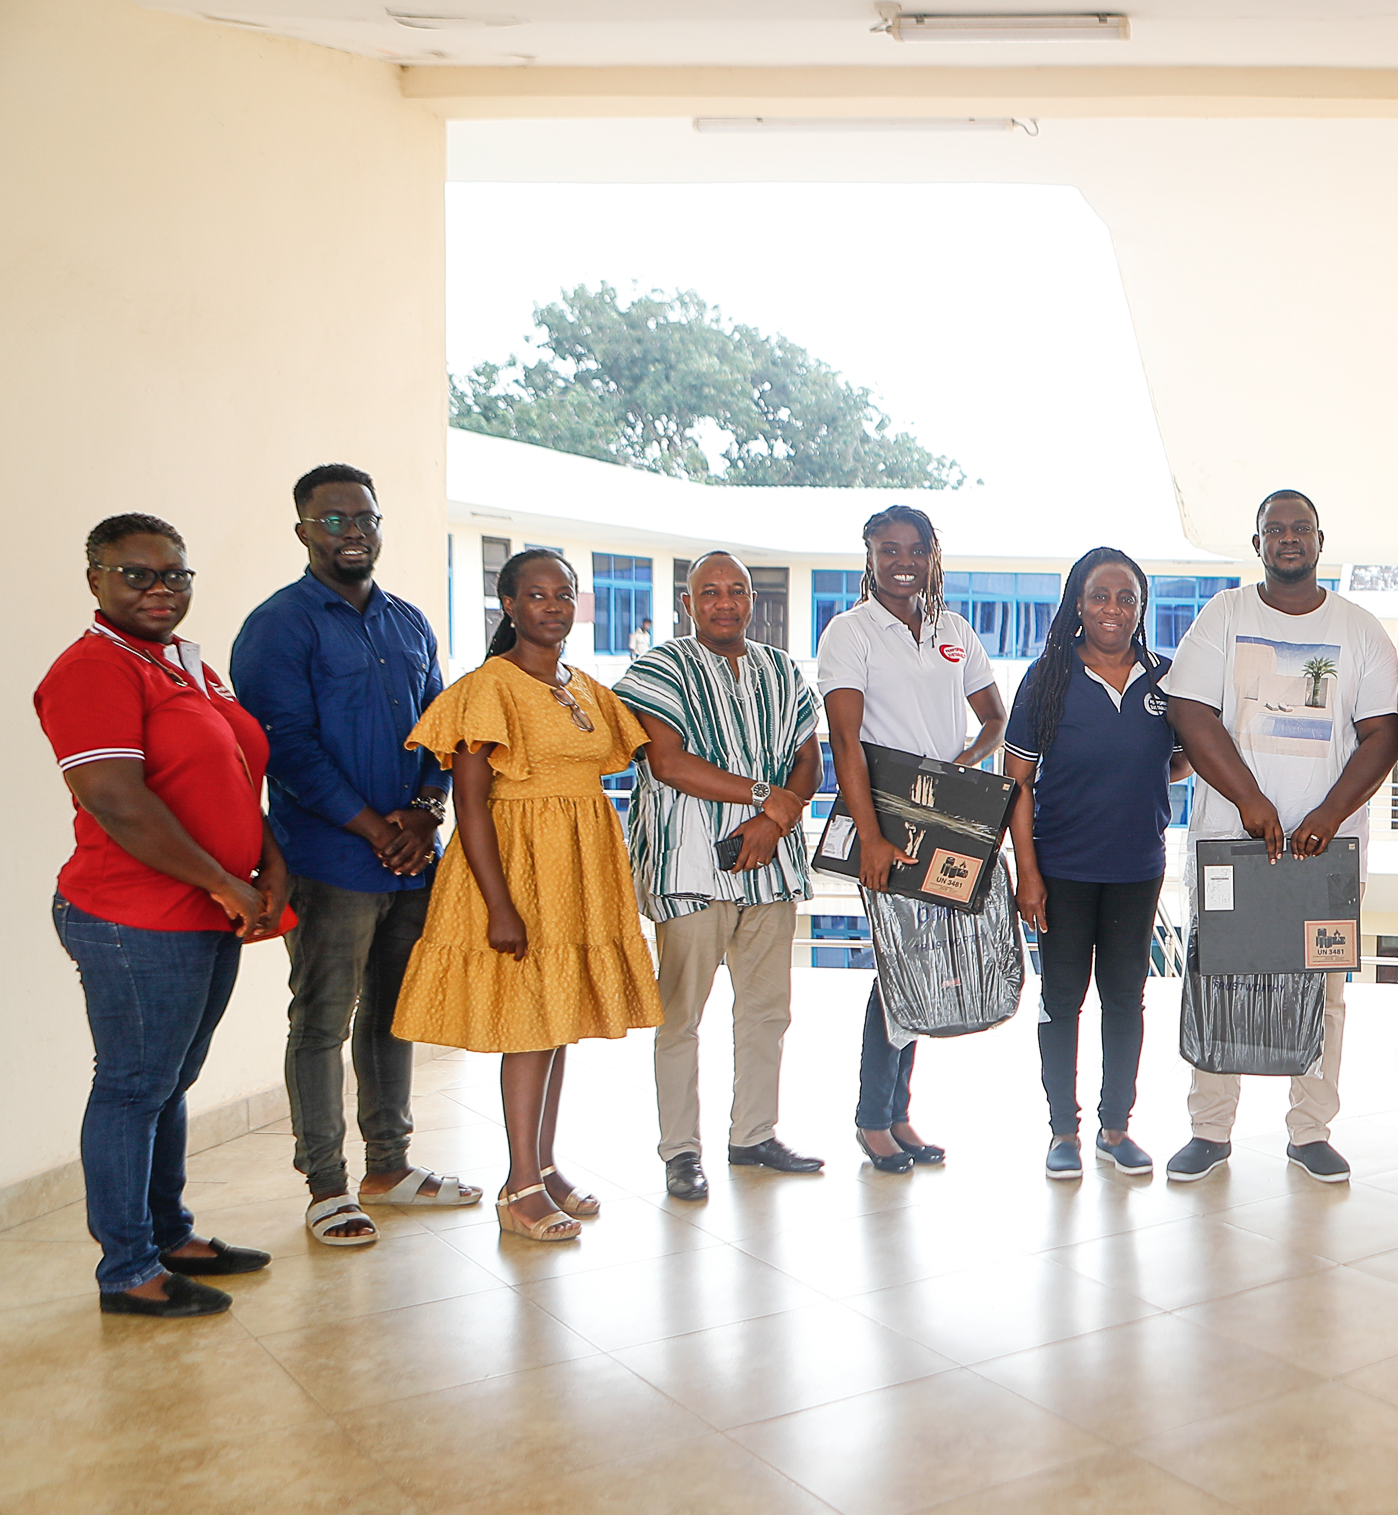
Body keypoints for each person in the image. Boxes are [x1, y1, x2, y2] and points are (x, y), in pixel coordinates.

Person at [41, 514, 283, 1316]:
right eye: (135, 573)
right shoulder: (92, 669)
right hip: (133, 914)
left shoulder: (186, 665)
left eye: (173, 574)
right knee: (133, 1086)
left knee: (169, 1081)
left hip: (207, 908)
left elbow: (240, 772)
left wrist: (270, 865)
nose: (157, 588)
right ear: (96, 580)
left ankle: (169, 1232)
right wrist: (224, 882)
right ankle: (129, 1270)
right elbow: (117, 801)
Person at [230, 463, 471, 1252]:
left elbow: (441, 727)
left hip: (410, 858)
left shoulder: (407, 621)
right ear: (304, 531)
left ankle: (389, 1167)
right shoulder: (279, 626)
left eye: (364, 517)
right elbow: (285, 749)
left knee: (394, 1013)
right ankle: (326, 1185)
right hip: (330, 861)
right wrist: (377, 827)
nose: (352, 531)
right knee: (323, 1018)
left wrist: (427, 811)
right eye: (333, 520)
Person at [392, 550, 662, 1241]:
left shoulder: (587, 687)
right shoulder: (489, 688)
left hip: (578, 870)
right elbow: (473, 805)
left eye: (563, 594)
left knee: (559, 1018)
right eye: (535, 595)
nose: (552, 605)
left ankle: (543, 1164)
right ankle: (518, 1187)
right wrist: (500, 903)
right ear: (507, 605)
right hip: (517, 868)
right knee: (531, 1023)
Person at [1161, 489, 1398, 1183]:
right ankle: (1210, 1130)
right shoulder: (1225, 616)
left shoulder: (1358, 629)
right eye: (1275, 529)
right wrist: (1249, 798)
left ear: (1320, 541)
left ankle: (1310, 1130)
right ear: (1259, 541)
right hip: (1229, 844)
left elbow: (1382, 733)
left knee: (1322, 992)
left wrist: (1328, 813)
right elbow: (1189, 711)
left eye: (1301, 528)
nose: (1288, 538)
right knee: (1220, 981)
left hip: (1323, 855)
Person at [614, 552, 824, 1202]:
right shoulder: (659, 667)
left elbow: (807, 757)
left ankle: (753, 1133)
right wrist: (769, 796)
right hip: (691, 868)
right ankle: (681, 1150)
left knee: (767, 1011)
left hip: (770, 868)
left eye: (737, 590)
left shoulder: (783, 670)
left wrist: (772, 823)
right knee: (680, 1015)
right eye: (710, 592)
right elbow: (669, 762)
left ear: (752, 601)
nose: (725, 602)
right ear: (688, 602)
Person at [815, 505, 1006, 1172]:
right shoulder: (849, 631)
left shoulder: (953, 629)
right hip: (886, 813)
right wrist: (869, 834)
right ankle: (873, 1120)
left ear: (932, 555)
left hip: (943, 812)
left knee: (920, 961)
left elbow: (994, 717)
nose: (903, 560)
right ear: (868, 555)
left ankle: (897, 1113)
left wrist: (960, 765)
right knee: (896, 965)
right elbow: (844, 739)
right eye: (888, 548)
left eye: (915, 549)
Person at [1004, 547, 1187, 1179]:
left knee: (1126, 999)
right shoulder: (1046, 677)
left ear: (1141, 608)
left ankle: (1116, 1127)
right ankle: (1063, 1129)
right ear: (1078, 603)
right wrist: (1028, 873)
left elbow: (1184, 757)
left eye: (1126, 597)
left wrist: (1139, 780)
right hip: (1061, 869)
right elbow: (1017, 782)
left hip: (1138, 867)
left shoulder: (1166, 679)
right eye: (1100, 596)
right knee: (1061, 997)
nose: (1113, 609)